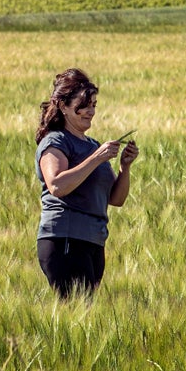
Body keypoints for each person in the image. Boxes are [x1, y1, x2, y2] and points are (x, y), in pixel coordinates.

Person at [33, 68, 138, 298]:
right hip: (65, 240)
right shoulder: (56, 141)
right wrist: (97, 158)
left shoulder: (92, 145)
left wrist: (125, 167)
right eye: (84, 105)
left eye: (94, 105)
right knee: (76, 312)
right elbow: (57, 186)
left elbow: (116, 199)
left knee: (85, 315)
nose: (91, 111)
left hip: (93, 242)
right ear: (63, 106)